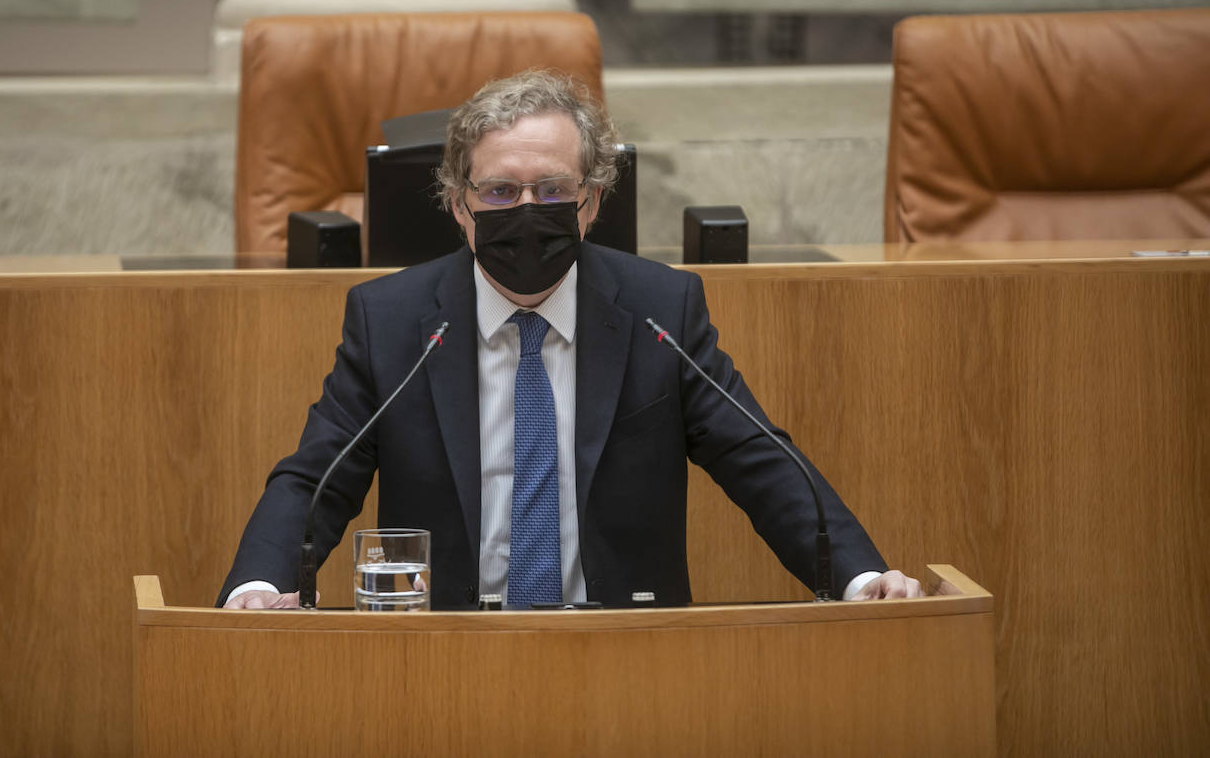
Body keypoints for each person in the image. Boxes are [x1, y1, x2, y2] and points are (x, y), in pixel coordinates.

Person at [219, 70, 920, 609]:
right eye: (499, 193)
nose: (527, 212)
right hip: (442, 653)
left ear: (590, 202)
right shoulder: (394, 320)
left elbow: (759, 459)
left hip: (624, 650)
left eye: (552, 190)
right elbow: (316, 477)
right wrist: (257, 584)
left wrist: (859, 577)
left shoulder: (658, 311)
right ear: (459, 207)